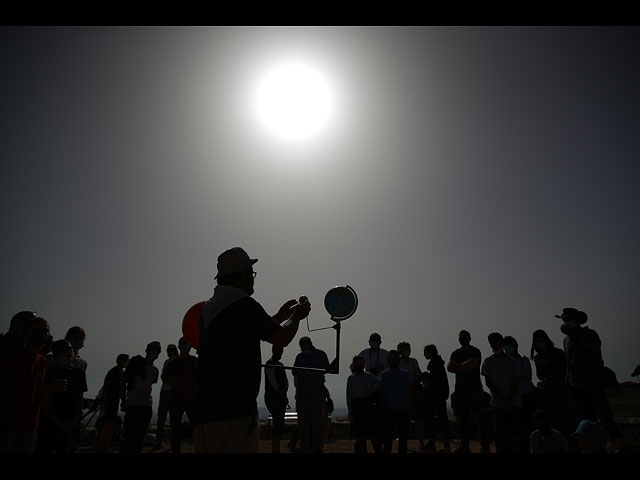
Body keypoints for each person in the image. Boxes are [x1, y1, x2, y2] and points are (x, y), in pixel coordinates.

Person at [193, 246, 311, 453]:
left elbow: (250, 332)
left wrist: (280, 316)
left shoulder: (211, 308)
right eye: (251, 273)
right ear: (241, 274)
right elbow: (282, 337)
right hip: (235, 414)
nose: (253, 278)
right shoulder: (243, 304)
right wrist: (296, 316)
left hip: (205, 413)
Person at [0, 315, 64, 453]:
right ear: (24, 334)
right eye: (36, 331)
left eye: (45, 331)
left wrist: (51, 389)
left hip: (31, 425)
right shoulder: (13, 360)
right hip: (9, 425)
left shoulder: (42, 361)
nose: (41, 335)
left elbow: (37, 397)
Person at [557, 307, 622, 440]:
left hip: (594, 383)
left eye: (568, 319)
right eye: (564, 319)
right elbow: (568, 362)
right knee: (587, 420)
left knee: (605, 418)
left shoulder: (590, 334)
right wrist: (567, 381)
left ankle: (616, 443)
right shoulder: (566, 340)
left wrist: (573, 336)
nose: (566, 322)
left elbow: (592, 355)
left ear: (577, 320)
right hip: (576, 386)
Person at [36, 339, 87, 453]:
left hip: (70, 422)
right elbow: (43, 400)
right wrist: (59, 423)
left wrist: (76, 419)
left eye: (69, 348)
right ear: (55, 353)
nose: (68, 351)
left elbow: (80, 397)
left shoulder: (79, 373)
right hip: (49, 422)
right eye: (63, 349)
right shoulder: (48, 372)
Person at [530, 329, 578, 442]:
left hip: (561, 386)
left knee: (568, 414)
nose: (539, 343)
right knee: (554, 416)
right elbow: (540, 375)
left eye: (541, 340)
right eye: (537, 341)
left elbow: (562, 370)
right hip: (549, 388)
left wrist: (548, 364)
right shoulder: (537, 358)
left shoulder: (558, 353)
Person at [447, 330, 491, 453]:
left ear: (470, 338)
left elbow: (471, 365)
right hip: (461, 390)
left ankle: (485, 445)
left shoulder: (475, 351)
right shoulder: (455, 353)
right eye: (461, 337)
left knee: (480, 418)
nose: (463, 339)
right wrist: (463, 367)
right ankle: (465, 446)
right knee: (463, 420)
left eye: (465, 337)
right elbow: (450, 367)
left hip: (474, 389)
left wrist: (458, 368)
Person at [481, 332, 522, 453]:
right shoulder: (488, 361)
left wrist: (509, 399)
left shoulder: (511, 361)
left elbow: (516, 382)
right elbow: (489, 383)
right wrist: (504, 399)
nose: (494, 344)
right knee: (499, 434)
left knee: (515, 433)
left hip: (514, 402)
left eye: (496, 341)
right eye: (492, 342)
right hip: (498, 403)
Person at [119, 341, 161, 453]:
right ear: (147, 350)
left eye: (157, 350)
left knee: (139, 438)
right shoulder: (135, 363)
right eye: (153, 349)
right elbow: (123, 382)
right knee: (128, 437)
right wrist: (123, 400)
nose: (155, 352)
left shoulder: (155, 370)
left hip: (146, 407)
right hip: (133, 405)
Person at [292, 336, 330, 453]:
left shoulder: (320, 355)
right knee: (302, 423)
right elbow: (294, 371)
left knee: (316, 422)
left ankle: (317, 447)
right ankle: (304, 446)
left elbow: (326, 368)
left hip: (315, 394)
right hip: (302, 394)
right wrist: (302, 372)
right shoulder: (300, 356)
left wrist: (310, 372)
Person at [503, 335, 538, 454]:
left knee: (528, 424)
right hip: (513, 397)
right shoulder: (505, 362)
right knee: (515, 427)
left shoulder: (524, 359)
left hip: (526, 395)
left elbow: (526, 375)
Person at [164, 337, 197, 454]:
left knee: (196, 428)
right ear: (179, 347)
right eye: (183, 344)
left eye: (187, 343)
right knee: (175, 429)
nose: (185, 346)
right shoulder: (173, 363)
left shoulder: (195, 361)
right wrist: (170, 379)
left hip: (192, 399)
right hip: (176, 400)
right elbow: (164, 378)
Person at [347, 355, 382, 453]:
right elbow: (349, 395)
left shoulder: (369, 376)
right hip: (357, 407)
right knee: (360, 436)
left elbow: (379, 383)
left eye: (360, 363)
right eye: (357, 363)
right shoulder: (351, 379)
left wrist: (372, 390)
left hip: (367, 406)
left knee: (373, 435)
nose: (358, 365)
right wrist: (350, 411)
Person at [97, 353, 129, 452]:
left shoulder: (121, 373)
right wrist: (105, 401)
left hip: (115, 400)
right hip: (110, 400)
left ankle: (106, 444)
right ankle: (103, 445)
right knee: (108, 423)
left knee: (111, 423)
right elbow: (106, 387)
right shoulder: (113, 372)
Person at [422, 344, 451, 452]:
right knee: (441, 418)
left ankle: (436, 442)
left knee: (433, 418)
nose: (424, 354)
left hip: (435, 395)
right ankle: (443, 442)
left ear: (430, 352)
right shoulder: (438, 363)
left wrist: (426, 378)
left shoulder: (435, 364)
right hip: (439, 395)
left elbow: (435, 381)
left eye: (425, 352)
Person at [380, 349, 410, 454]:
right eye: (391, 358)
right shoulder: (384, 375)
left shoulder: (405, 374)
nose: (392, 360)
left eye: (394, 358)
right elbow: (382, 391)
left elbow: (409, 389)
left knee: (403, 435)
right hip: (389, 408)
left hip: (403, 408)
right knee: (388, 435)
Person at [397, 341, 424, 450]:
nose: (408, 351)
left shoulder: (413, 361)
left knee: (417, 416)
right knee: (402, 416)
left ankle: (421, 438)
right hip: (403, 391)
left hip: (414, 390)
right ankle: (401, 436)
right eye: (406, 348)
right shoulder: (398, 362)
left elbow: (418, 374)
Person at [264, 344, 289, 453]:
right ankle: (275, 448)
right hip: (273, 397)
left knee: (280, 423)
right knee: (278, 422)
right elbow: (273, 381)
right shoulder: (270, 364)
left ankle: (276, 448)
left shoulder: (280, 364)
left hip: (280, 397)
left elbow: (285, 380)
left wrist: (284, 392)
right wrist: (280, 392)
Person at [154, 343, 178, 449]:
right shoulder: (167, 362)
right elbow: (164, 377)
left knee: (171, 418)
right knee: (165, 417)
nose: (169, 353)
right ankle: (161, 441)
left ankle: (171, 442)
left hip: (171, 392)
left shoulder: (176, 362)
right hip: (168, 391)